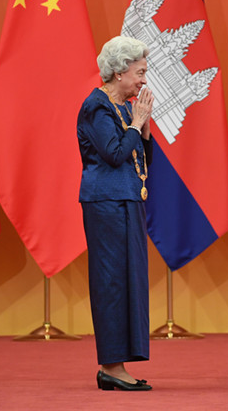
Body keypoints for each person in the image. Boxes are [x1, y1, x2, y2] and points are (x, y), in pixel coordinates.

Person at [77, 36, 155, 391]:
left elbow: (141, 161)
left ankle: (120, 363)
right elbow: (114, 154)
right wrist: (136, 125)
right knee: (111, 282)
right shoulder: (97, 107)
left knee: (130, 280)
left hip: (128, 200)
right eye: (139, 73)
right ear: (119, 72)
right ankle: (110, 366)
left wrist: (144, 128)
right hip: (106, 204)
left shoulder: (124, 108)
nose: (143, 80)